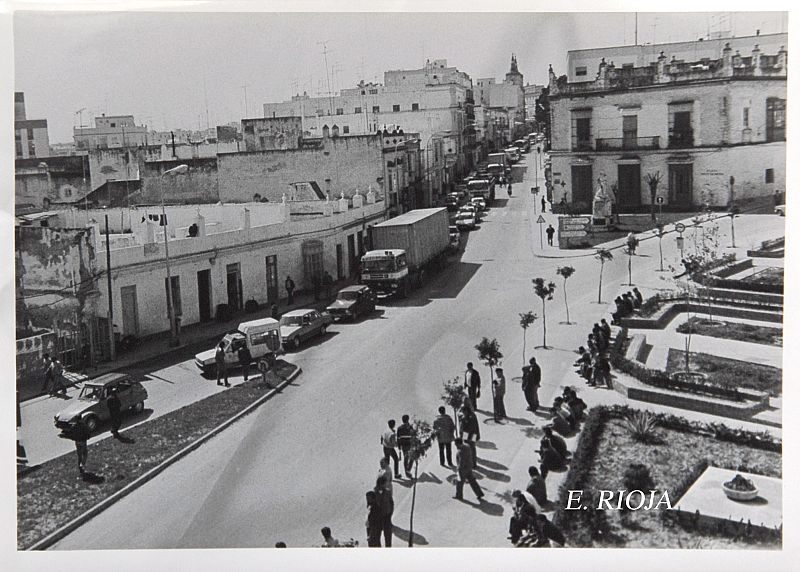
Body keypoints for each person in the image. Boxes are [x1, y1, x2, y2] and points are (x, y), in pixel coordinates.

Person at [453, 437, 484, 501]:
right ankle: (479, 493)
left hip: (463, 469)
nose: (455, 446)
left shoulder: (461, 452)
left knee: (459, 483)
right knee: (472, 481)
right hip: (469, 467)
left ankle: (459, 495)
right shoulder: (467, 446)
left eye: (456, 444)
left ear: (458, 444)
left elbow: (462, 462)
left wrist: (458, 469)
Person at [458, 401, 480, 468]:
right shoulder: (471, 415)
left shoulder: (469, 417)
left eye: (464, 412)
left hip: (470, 435)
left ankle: (473, 464)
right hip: (472, 434)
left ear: (467, 411)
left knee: (471, 449)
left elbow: (468, 428)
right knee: (470, 449)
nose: (464, 413)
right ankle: (472, 463)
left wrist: (462, 435)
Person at [374, 474, 394, 547]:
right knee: (377, 537)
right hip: (378, 518)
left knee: (388, 537)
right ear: (381, 484)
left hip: (387, 517)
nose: (386, 484)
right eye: (385, 483)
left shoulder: (388, 492)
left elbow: (391, 503)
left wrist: (390, 513)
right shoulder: (374, 493)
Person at [396, 414, 414, 479]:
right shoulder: (410, 427)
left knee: (406, 458)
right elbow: (413, 436)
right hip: (410, 444)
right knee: (412, 457)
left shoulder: (399, 428)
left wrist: (399, 447)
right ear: (408, 419)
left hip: (404, 445)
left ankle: (407, 471)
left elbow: (398, 438)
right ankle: (408, 470)